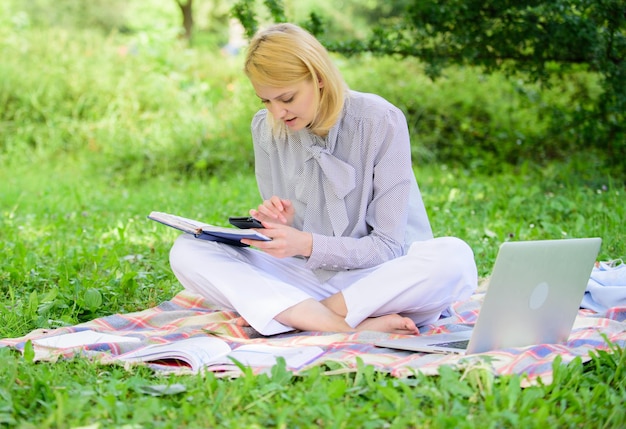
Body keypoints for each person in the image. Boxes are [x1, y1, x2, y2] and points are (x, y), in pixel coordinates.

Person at [169, 23, 477, 336]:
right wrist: (283, 226)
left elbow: (387, 247)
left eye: (287, 98)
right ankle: (344, 325)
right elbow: (296, 247)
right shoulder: (265, 128)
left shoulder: (380, 120)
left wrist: (306, 243)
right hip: (308, 279)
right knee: (187, 250)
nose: (278, 113)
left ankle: (292, 314)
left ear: (318, 78)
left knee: (454, 259)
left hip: (378, 279)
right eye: (266, 101)